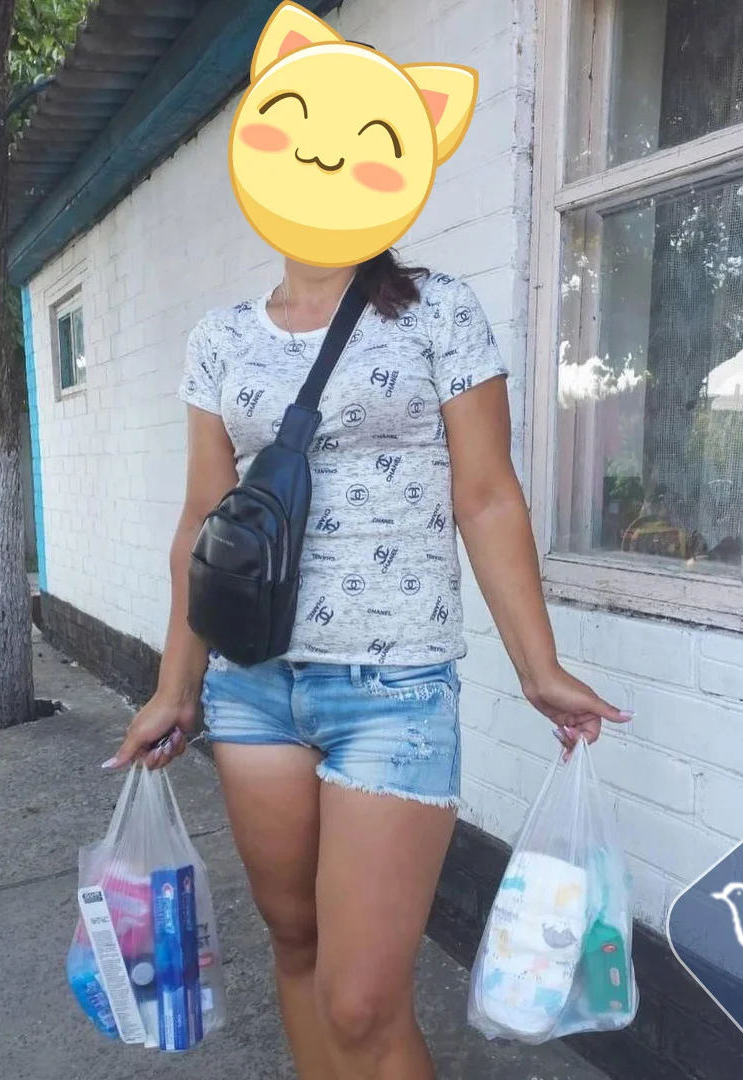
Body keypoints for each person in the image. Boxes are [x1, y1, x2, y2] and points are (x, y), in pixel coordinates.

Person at [107, 249, 630, 1080]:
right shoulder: (222, 337)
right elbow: (202, 519)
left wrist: (539, 668)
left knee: (360, 1006)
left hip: (395, 693)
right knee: (296, 943)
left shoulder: (437, 310)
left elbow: (486, 496)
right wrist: (177, 685)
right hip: (252, 690)